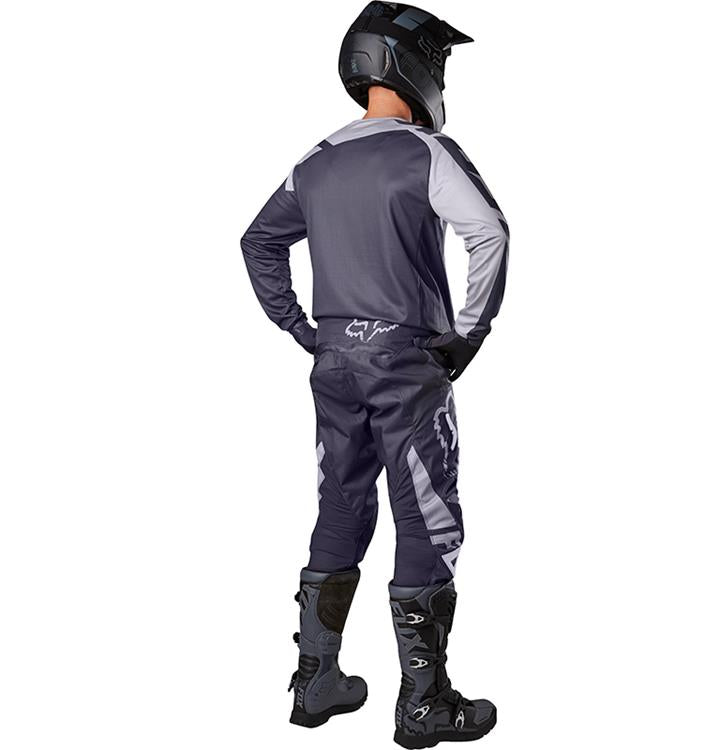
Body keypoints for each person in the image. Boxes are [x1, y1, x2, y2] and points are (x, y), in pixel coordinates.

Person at [241, 3, 509, 747]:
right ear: (411, 65)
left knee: (340, 508)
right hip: (406, 362)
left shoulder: (315, 160)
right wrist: (467, 336)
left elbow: (258, 241)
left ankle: (316, 682)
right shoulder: (425, 151)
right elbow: (489, 232)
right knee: (427, 515)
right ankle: (424, 704)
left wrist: (303, 328)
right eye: (438, 62)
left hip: (334, 363)